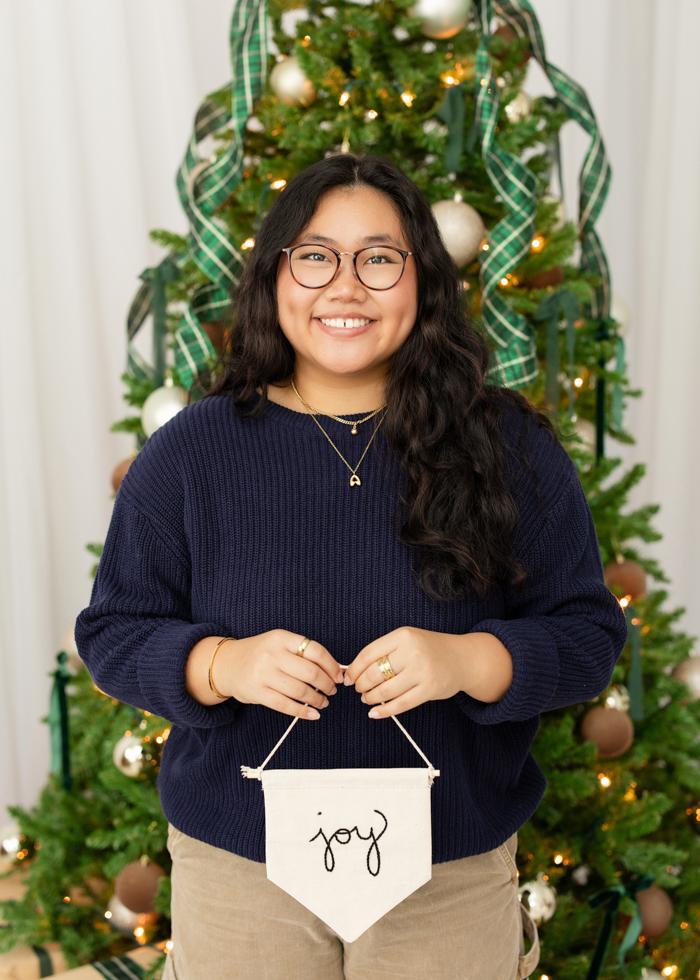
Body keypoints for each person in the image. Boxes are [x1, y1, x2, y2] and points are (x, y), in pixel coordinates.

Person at [75, 152, 628, 979]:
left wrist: (470, 660)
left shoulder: (509, 448)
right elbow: (114, 633)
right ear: (275, 277)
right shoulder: (192, 452)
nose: (345, 287)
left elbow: (589, 635)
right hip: (240, 867)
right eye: (315, 256)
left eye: (378, 258)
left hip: (450, 869)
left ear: (423, 283)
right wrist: (220, 663)